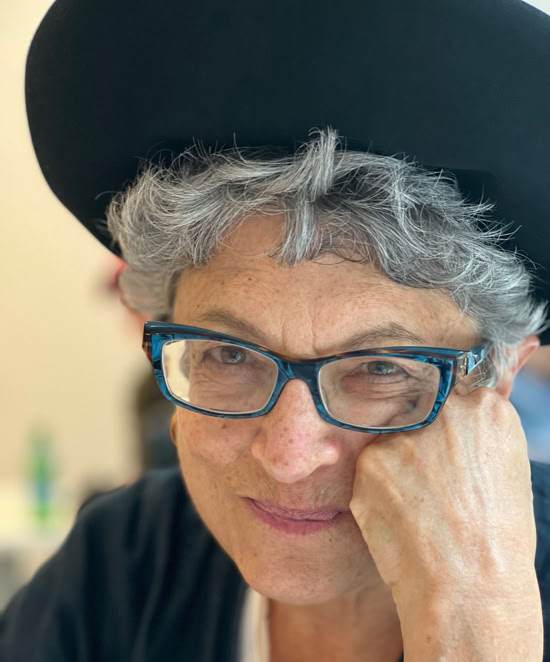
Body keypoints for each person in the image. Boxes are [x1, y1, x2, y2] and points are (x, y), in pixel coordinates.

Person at [2, 1, 550, 661]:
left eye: (379, 368)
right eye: (230, 354)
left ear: (499, 378)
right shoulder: (123, 564)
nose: (288, 456)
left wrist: (479, 626)